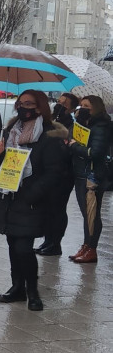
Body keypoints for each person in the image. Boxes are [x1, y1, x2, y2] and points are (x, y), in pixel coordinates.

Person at [0, 90, 69, 311]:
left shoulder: (49, 134)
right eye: (21, 103)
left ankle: (32, 291)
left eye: (30, 104)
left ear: (40, 106)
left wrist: (33, 192)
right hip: (9, 196)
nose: (24, 107)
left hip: (32, 199)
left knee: (24, 247)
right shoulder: (10, 130)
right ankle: (17, 287)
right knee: (13, 245)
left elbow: (55, 172)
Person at [65, 95, 112, 264]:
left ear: (96, 108)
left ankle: (92, 248)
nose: (82, 108)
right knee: (86, 214)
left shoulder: (102, 125)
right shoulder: (85, 123)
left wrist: (74, 146)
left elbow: (95, 152)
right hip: (81, 173)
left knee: (92, 214)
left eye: (87, 106)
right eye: (81, 105)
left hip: (92, 176)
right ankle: (86, 245)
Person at [34, 93, 79, 256]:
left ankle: (55, 243)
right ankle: (48, 239)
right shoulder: (50, 121)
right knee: (47, 208)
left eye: (64, 104)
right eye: (59, 102)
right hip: (48, 171)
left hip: (64, 173)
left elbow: (68, 145)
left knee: (58, 209)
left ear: (72, 108)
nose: (59, 105)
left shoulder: (71, 124)